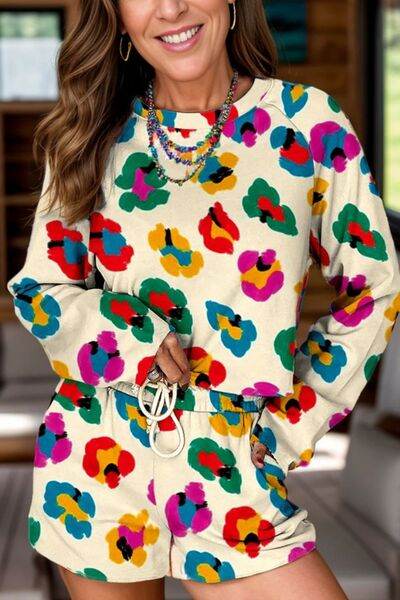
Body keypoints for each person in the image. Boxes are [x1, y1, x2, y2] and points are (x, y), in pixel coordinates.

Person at [6, 0, 400, 598]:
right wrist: (131, 337)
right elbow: (40, 290)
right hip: (95, 457)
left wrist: (291, 422)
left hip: (234, 462)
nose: (171, 8)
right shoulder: (88, 131)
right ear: (116, 13)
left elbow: (373, 286)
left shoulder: (307, 123)